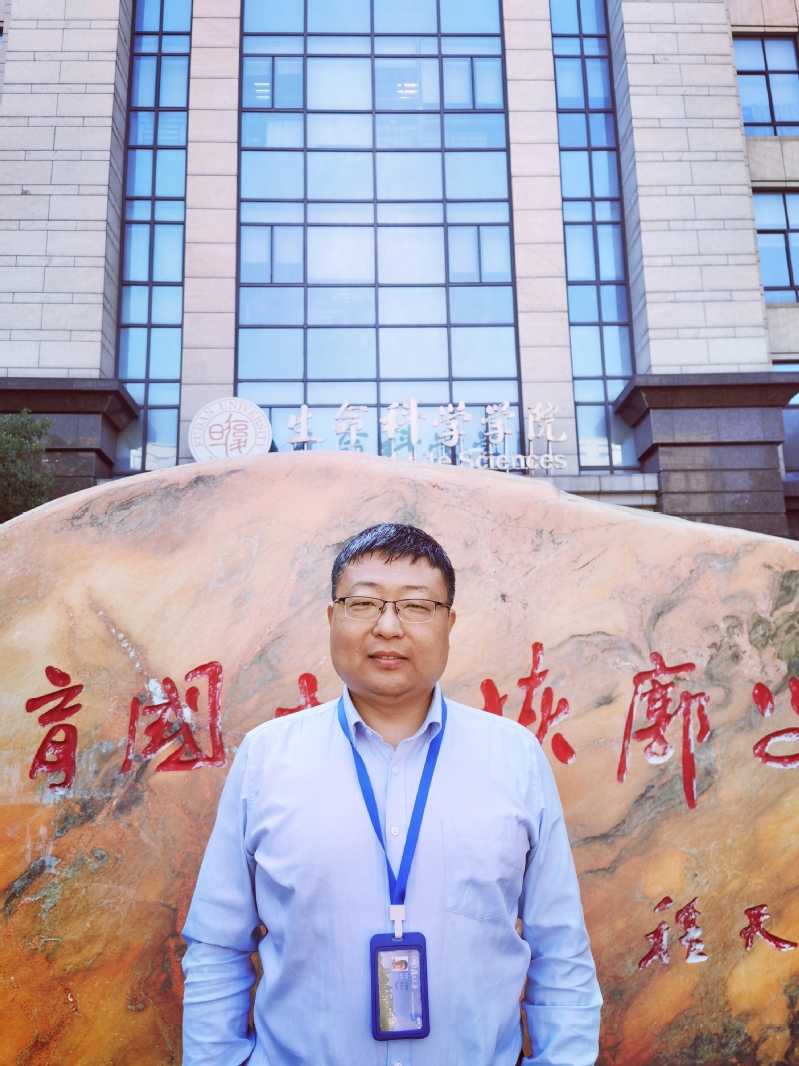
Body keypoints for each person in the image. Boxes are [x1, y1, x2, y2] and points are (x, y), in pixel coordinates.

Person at [182, 523, 602, 1066]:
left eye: (416, 607)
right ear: (331, 618)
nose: (387, 626)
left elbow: (561, 951)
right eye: (363, 604)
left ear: (449, 624)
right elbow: (217, 946)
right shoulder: (268, 757)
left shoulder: (514, 758)